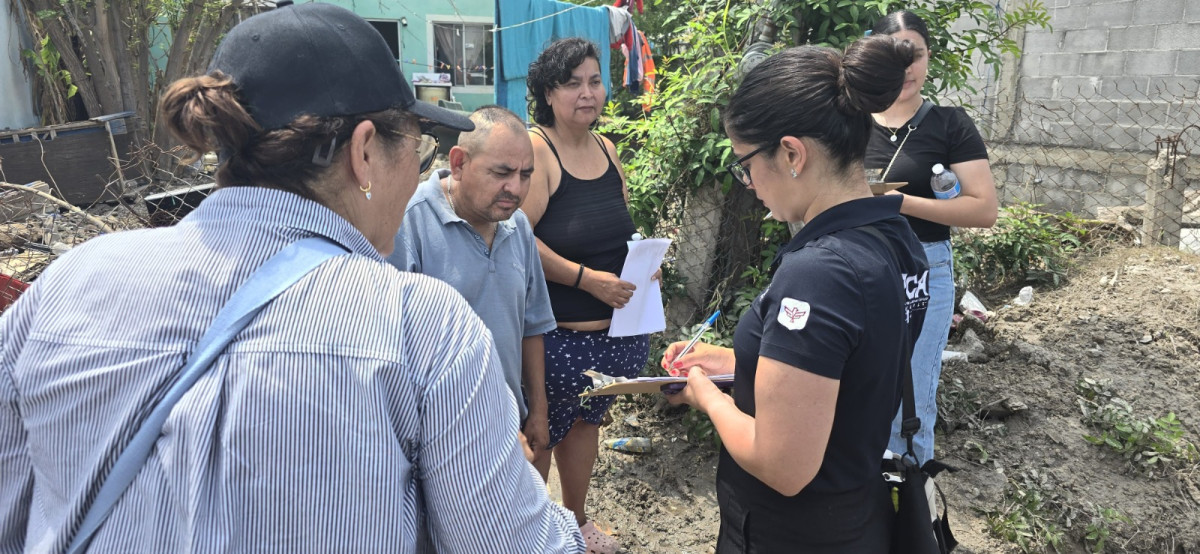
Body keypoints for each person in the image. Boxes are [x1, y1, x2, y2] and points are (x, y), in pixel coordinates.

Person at [0, 3, 584, 553]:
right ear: (363, 153)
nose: (418, 174)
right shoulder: (418, 325)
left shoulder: (70, 281)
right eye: (419, 148)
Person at [660, 36, 931, 550]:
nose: (748, 181)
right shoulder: (898, 242)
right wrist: (727, 361)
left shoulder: (820, 272)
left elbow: (782, 465)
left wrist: (704, 395)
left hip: (795, 532)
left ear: (791, 153)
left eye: (745, 163)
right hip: (857, 513)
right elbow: (845, 373)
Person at [523, 37, 650, 553]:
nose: (587, 93)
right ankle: (530, 529)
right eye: (572, 83)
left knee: (585, 426)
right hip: (555, 336)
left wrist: (645, 264)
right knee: (541, 435)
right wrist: (585, 279)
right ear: (548, 93)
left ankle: (576, 521)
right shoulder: (537, 149)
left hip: (612, 333)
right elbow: (519, 239)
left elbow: (621, 232)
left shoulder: (607, 148)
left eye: (595, 81)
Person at [866, 10, 999, 465]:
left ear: (927, 58)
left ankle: (909, 506)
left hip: (923, 268)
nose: (905, 69)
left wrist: (900, 204)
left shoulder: (948, 123)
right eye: (894, 56)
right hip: (857, 265)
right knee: (855, 385)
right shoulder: (849, 122)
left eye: (915, 55)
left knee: (910, 394)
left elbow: (983, 209)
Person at [388, 105, 556, 455]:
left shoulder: (518, 226)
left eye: (526, 174)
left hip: (511, 427)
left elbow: (532, 325)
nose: (516, 187)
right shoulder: (409, 225)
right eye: (502, 173)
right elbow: (395, 351)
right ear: (460, 163)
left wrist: (537, 409)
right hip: (439, 437)